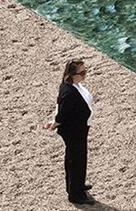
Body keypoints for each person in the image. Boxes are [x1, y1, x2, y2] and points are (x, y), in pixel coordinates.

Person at [44, 60, 95, 205]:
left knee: (79, 158)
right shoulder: (68, 92)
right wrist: (54, 123)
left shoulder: (75, 86)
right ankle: (75, 194)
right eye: (82, 72)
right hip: (73, 131)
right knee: (75, 160)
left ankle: (77, 184)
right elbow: (62, 112)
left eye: (85, 71)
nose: (85, 74)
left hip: (80, 128)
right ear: (72, 74)